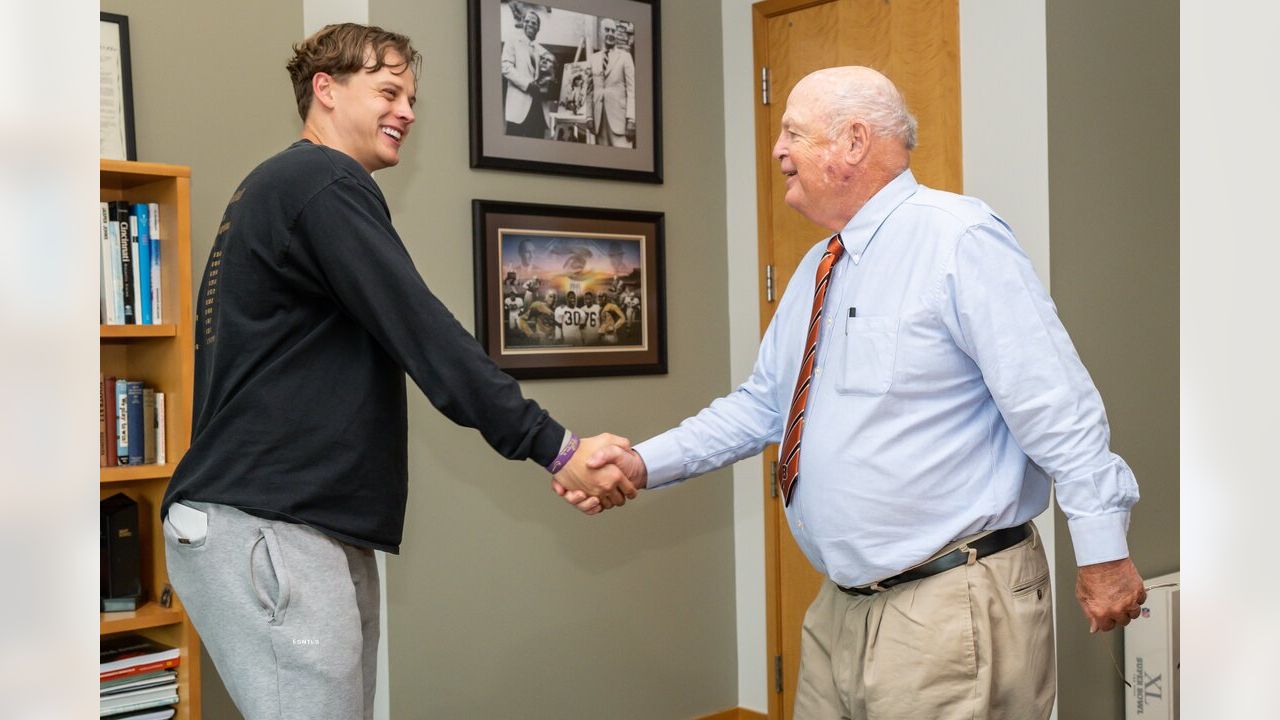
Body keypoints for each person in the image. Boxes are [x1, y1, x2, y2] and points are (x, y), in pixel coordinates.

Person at [566, 66, 1147, 719]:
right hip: (840, 610)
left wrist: (1103, 552)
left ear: (852, 142)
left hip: (949, 608)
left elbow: (1055, 405)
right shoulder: (820, 267)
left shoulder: (956, 238)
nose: (777, 151)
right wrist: (643, 463)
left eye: (792, 133)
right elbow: (763, 405)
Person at [160, 24, 633, 720]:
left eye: (411, 97)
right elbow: (423, 330)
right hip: (268, 522)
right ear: (325, 90)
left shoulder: (289, 189)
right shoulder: (319, 180)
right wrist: (555, 446)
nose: (407, 111)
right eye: (388, 91)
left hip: (302, 520)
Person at [500, 10, 554, 138]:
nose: (529, 24)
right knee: (513, 149)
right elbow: (505, 67)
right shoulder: (512, 41)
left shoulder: (539, 50)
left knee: (536, 149)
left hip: (537, 108)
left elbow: (548, 68)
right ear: (523, 24)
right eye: (527, 21)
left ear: (538, 28)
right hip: (518, 109)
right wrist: (528, 85)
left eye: (533, 22)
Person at [586, 18, 635, 147]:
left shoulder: (625, 57)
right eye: (607, 30)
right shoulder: (593, 59)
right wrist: (589, 117)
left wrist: (631, 119)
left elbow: (632, 90)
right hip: (599, 122)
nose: (611, 34)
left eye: (613, 31)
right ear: (600, 33)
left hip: (620, 123)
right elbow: (589, 91)